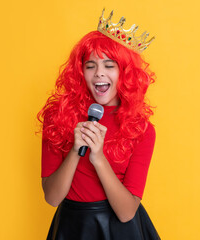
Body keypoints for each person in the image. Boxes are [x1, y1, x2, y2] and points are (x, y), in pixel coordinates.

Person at [37, 9, 160, 240]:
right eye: (90, 65)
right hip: (72, 227)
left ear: (125, 72)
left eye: (109, 65)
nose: (98, 74)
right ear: (80, 71)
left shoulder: (141, 129)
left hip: (121, 230)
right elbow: (52, 198)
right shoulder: (57, 117)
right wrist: (76, 150)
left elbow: (126, 213)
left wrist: (98, 158)